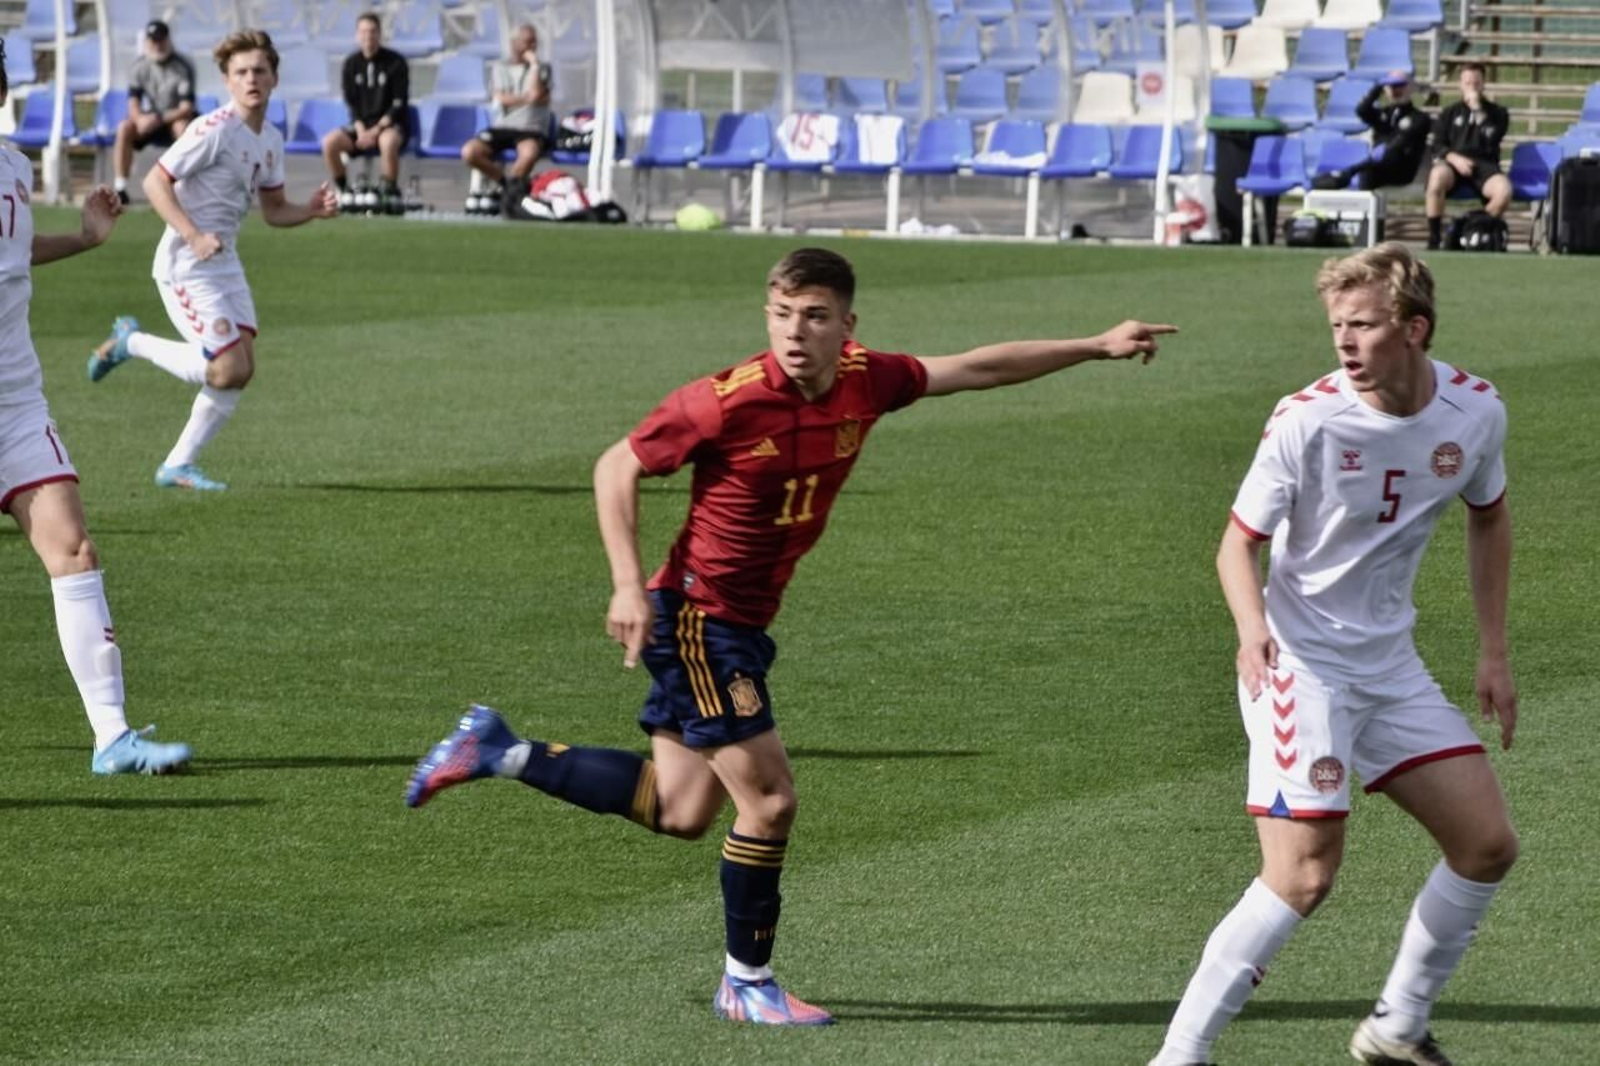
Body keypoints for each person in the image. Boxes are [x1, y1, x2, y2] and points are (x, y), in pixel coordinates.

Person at [405, 247, 1177, 1026]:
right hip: (702, 620)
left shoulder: (867, 379)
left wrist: (1093, 345)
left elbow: (975, 367)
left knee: (679, 809)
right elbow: (616, 467)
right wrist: (624, 584)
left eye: (812, 316)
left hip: (738, 622)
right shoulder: (723, 401)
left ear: (847, 324)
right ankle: (746, 981)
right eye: (781, 314)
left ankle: (497, 749)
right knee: (770, 802)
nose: (794, 332)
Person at [1148, 243, 1517, 1066]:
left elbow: (1488, 515)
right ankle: (1180, 1056)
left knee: (1487, 843)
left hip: (1389, 667)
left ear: (1414, 328)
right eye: (1336, 326)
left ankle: (1397, 1027)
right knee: (1303, 877)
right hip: (1300, 667)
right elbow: (1236, 546)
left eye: (1363, 325)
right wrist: (1253, 632)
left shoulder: (1475, 413)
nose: (1344, 342)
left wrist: (1493, 652)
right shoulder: (1307, 418)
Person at [0, 51, 192, 773]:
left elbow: (11, 253)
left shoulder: (13, 167)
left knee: (74, 551)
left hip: (16, 401)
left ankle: (112, 737)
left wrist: (82, 238)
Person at [85, 30, 338, 492]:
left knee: (241, 369)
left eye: (259, 70)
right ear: (227, 81)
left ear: (275, 77)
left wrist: (312, 211)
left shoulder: (271, 140)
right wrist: (193, 234)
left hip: (224, 262)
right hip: (186, 262)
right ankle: (132, 344)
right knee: (225, 367)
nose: (251, 79)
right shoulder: (213, 129)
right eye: (240, 72)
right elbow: (154, 182)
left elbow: (275, 210)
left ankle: (177, 466)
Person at [460, 23, 552, 216]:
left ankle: (510, 197)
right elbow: (502, 98)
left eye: (534, 42)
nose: (532, 46)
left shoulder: (543, 68)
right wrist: (528, 99)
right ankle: (507, 185)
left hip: (530, 127)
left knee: (528, 153)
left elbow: (535, 93)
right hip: (503, 126)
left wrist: (534, 66)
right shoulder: (500, 68)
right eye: (527, 42)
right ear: (515, 43)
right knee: (470, 152)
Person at [322, 12, 410, 212]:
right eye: (363, 32)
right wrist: (361, 130)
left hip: (387, 125)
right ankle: (344, 190)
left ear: (379, 34)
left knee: (388, 142)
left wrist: (375, 130)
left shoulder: (396, 62)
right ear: (357, 35)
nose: (368, 36)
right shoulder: (351, 64)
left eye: (372, 31)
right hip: (361, 126)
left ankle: (388, 192)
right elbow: (351, 104)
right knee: (330, 143)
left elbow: (398, 104)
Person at [1425, 63, 1511, 250]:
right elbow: (1437, 145)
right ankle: (1434, 237)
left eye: (1476, 82)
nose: (1472, 86)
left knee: (1504, 191)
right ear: (1461, 85)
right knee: (1436, 176)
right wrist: (1454, 158)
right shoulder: (1449, 113)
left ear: (1483, 84)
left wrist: (1477, 110)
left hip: (1484, 164)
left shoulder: (1498, 113)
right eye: (1468, 82)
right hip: (1454, 164)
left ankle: (1467, 227)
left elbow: (1492, 137)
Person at [113, 20, 198, 206]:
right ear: (147, 42)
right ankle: (121, 188)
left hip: (174, 117)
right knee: (124, 127)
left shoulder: (182, 66)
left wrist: (159, 118)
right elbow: (133, 103)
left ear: (168, 41)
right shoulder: (139, 66)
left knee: (183, 128)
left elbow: (186, 107)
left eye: (161, 40)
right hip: (152, 118)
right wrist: (140, 119)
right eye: (153, 41)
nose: (157, 45)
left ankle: (184, 185)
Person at [1313, 71, 1431, 192]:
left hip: (1401, 170)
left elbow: (1397, 145)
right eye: (1390, 86)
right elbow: (1362, 110)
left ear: (1410, 88)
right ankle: (1363, 205)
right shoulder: (1383, 113)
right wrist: (1377, 88)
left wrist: (1353, 169)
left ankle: (1346, 174)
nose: (1394, 90)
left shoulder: (1420, 118)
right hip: (1376, 166)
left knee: (1386, 154)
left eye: (1399, 85)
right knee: (1368, 172)